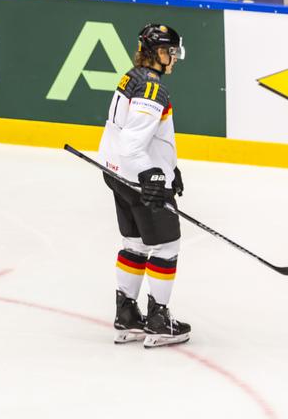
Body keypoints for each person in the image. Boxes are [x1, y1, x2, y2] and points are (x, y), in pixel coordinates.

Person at [97, 23, 190, 348]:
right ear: (159, 52)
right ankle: (159, 319)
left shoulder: (132, 77)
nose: (175, 59)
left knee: (134, 242)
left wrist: (170, 168)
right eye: (172, 52)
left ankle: (127, 315)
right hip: (139, 179)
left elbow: (124, 137)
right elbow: (133, 143)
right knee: (166, 245)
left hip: (117, 173)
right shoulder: (153, 90)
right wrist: (153, 175)